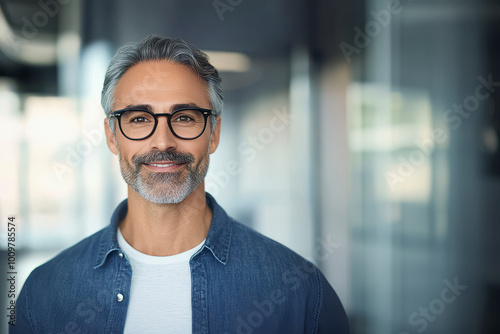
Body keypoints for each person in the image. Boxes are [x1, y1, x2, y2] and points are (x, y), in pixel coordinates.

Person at [11, 35, 349, 333]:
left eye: (184, 118)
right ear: (112, 137)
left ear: (213, 133)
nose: (162, 142)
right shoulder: (46, 293)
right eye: (139, 119)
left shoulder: (300, 292)